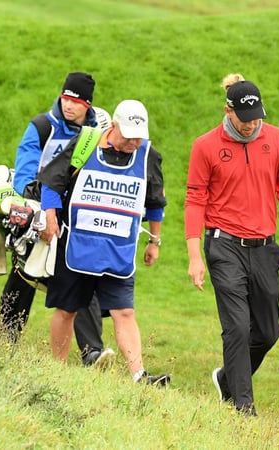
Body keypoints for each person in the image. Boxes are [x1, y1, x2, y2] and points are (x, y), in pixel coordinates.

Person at [185, 74, 279, 416]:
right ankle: (243, 406)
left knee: (268, 332)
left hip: (265, 248)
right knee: (237, 327)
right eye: (245, 117)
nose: (252, 123)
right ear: (228, 110)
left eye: (257, 117)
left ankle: (228, 378)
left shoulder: (278, 140)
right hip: (224, 247)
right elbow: (195, 200)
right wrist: (195, 257)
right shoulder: (205, 146)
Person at [34, 99, 169, 385]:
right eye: (129, 134)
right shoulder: (85, 144)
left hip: (119, 250)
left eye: (139, 135)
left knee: (125, 311)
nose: (134, 140)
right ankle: (54, 373)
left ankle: (139, 376)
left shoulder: (147, 156)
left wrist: (154, 241)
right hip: (77, 246)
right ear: (115, 125)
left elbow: (155, 202)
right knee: (67, 309)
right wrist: (49, 216)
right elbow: (51, 182)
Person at [0, 71, 113, 367]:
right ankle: (3, 341)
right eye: (65, 98)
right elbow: (25, 172)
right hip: (37, 209)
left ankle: (92, 352)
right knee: (25, 274)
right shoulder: (41, 126)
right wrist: (37, 210)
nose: (68, 105)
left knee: (81, 275)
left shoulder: (96, 132)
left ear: (87, 104)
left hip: (75, 216)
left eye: (76, 101)